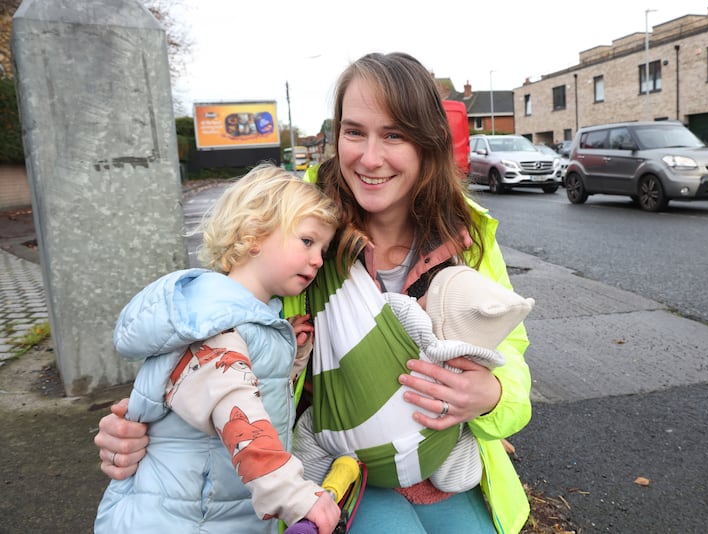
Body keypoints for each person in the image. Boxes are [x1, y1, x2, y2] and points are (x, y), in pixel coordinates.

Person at [95, 51, 533, 533]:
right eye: (354, 132)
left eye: (394, 135)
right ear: (335, 134)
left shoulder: (465, 232)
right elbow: (208, 326)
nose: (369, 158)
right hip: (327, 470)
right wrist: (142, 426)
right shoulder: (295, 225)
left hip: (445, 465)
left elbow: (510, 355)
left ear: (427, 143)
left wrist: (491, 395)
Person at [94, 164, 341, 534]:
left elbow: (244, 387)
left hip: (209, 511)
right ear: (255, 233)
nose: (318, 259)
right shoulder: (216, 323)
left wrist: (290, 359)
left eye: (322, 248)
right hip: (181, 520)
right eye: (308, 241)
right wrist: (297, 497)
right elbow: (236, 411)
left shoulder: (250, 319)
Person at [292, 264, 535, 494]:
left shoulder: (415, 316)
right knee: (458, 438)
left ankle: (310, 490)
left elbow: (388, 308)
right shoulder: (477, 357)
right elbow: (502, 354)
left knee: (312, 428)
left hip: (349, 442)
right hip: (429, 453)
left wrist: (494, 396)